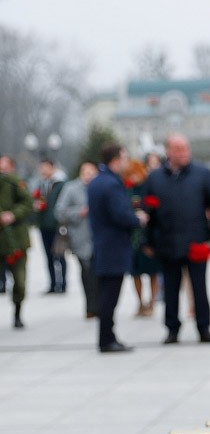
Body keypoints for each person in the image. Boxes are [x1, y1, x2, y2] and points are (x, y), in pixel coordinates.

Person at [144, 133, 210, 344]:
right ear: (168, 152)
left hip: (196, 242)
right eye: (178, 149)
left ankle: (204, 327)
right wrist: (148, 241)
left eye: (186, 148)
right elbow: (148, 211)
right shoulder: (155, 178)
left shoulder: (202, 174)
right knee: (170, 289)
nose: (183, 153)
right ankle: (172, 329)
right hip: (167, 242)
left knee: (199, 288)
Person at [87, 144, 148, 353]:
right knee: (109, 297)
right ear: (115, 160)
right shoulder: (112, 184)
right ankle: (106, 339)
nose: (126, 162)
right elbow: (121, 216)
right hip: (113, 247)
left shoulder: (97, 181)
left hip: (103, 246)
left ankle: (108, 336)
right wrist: (137, 219)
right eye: (124, 158)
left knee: (106, 294)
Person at [55, 162, 100, 319]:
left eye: (92, 172)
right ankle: (91, 307)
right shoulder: (71, 188)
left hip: (100, 237)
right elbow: (59, 211)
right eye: (86, 172)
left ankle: (99, 305)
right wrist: (78, 213)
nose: (89, 176)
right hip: (80, 238)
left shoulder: (101, 188)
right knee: (87, 272)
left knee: (99, 273)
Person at [122, 159, 161, 317]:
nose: (133, 177)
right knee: (135, 273)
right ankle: (140, 302)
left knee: (152, 272)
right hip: (132, 238)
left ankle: (152, 302)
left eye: (135, 172)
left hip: (148, 235)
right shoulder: (126, 190)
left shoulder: (148, 187)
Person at [0, 154, 32, 328]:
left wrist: (13, 215)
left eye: (5, 166)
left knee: (19, 281)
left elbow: (28, 203)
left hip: (16, 240)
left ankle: (18, 312)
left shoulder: (16, 183)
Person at [33, 158, 67, 294]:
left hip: (56, 226)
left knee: (59, 255)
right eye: (41, 168)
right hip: (44, 225)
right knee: (48, 256)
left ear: (53, 168)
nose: (43, 171)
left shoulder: (61, 184)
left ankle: (63, 284)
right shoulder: (42, 184)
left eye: (45, 167)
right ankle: (53, 284)